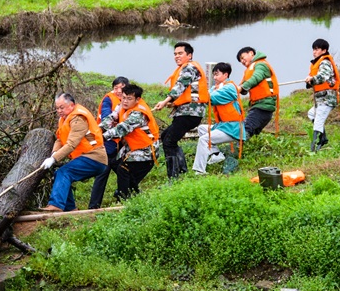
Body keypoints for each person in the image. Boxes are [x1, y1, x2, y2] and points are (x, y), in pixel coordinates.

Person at [40, 93, 109, 212]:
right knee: (59, 173)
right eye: (57, 108)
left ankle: (56, 205)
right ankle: (70, 209)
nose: (59, 111)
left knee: (64, 172)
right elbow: (60, 140)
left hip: (95, 157)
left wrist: (54, 159)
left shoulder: (78, 118)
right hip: (86, 157)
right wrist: (54, 153)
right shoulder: (65, 119)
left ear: (71, 105)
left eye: (61, 107)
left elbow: (71, 144)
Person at [152, 41, 208, 178]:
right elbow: (187, 92)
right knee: (166, 136)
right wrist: (173, 104)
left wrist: (165, 101)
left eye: (180, 53)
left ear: (189, 55)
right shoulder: (185, 67)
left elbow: (180, 86)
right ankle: (182, 170)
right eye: (175, 54)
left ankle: (173, 178)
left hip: (190, 113)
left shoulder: (189, 68)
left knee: (169, 141)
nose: (177, 56)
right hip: (186, 112)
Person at [99, 83, 160, 200]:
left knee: (123, 169)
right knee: (114, 163)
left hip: (146, 149)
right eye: (124, 97)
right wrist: (97, 130)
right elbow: (112, 118)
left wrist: (101, 138)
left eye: (129, 99)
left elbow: (122, 128)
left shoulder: (138, 114)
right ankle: (133, 191)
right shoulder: (121, 105)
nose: (125, 101)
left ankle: (122, 198)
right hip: (132, 147)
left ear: (137, 99)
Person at [192, 62, 245, 174]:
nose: (214, 77)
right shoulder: (215, 87)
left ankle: (199, 171)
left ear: (226, 75)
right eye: (214, 75)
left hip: (233, 128)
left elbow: (208, 97)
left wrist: (192, 93)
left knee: (204, 139)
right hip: (223, 126)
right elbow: (205, 95)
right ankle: (217, 154)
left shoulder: (229, 88)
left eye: (217, 74)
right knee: (201, 128)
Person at [89, 76, 128, 209]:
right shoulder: (108, 99)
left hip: (119, 145)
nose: (118, 90)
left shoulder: (129, 99)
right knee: (103, 173)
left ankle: (128, 198)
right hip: (107, 142)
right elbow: (106, 117)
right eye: (115, 88)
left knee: (124, 173)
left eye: (121, 88)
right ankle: (94, 206)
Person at [305, 38, 340, 152]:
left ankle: (314, 148)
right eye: (313, 49)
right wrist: (309, 81)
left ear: (324, 50)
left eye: (317, 49)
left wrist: (313, 79)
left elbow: (324, 76)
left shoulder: (325, 62)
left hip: (327, 98)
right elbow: (315, 79)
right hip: (321, 99)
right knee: (311, 114)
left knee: (318, 121)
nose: (314, 52)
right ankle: (323, 138)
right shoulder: (317, 63)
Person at [237, 46, 279, 138]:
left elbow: (257, 77)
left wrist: (242, 87)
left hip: (263, 106)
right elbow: (243, 87)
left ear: (251, 53)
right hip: (257, 105)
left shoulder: (261, 64)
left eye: (243, 58)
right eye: (241, 61)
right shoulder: (249, 70)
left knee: (245, 130)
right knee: (247, 130)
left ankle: (233, 151)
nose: (242, 62)